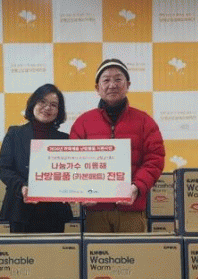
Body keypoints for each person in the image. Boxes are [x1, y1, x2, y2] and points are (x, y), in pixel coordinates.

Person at [70, 59, 165, 233]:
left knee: (132, 251)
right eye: (106, 80)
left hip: (132, 209)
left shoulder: (144, 121)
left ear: (128, 85)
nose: (112, 85)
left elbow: (155, 159)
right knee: (96, 251)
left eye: (118, 79)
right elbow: (73, 161)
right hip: (96, 211)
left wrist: (136, 187)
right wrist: (84, 190)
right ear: (97, 88)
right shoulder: (83, 122)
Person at [0, 84, 73, 233]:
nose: (47, 107)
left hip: (54, 211)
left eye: (53, 105)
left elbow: (71, 173)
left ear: (59, 111)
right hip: (20, 208)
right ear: (33, 104)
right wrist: (22, 186)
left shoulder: (65, 139)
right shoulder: (15, 133)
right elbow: (3, 168)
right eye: (42, 102)